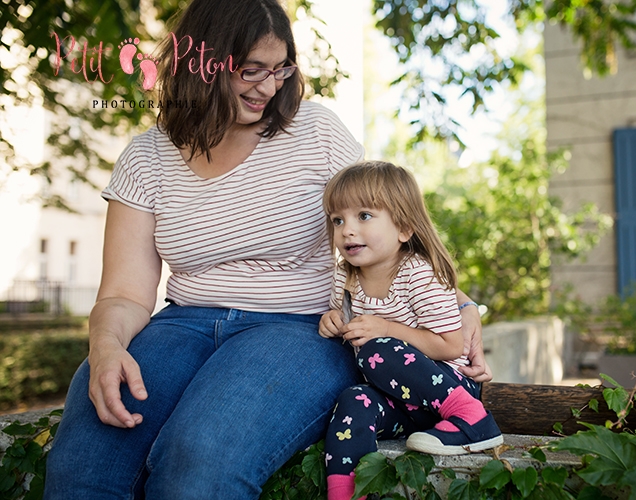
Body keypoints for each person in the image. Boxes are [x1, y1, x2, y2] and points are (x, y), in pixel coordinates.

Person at [43, 1, 492, 499]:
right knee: (81, 469)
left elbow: (386, 227)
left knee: (198, 463)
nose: (269, 87)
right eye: (250, 70)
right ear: (201, 65)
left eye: (280, 70)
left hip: (298, 327)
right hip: (180, 323)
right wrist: (105, 347)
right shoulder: (146, 156)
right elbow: (125, 292)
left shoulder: (315, 131)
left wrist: (461, 306)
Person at [318, 161, 503, 500]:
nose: (347, 230)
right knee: (353, 400)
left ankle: (474, 420)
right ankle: (347, 495)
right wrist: (331, 318)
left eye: (364, 216)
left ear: (403, 228)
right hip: (402, 402)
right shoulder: (344, 277)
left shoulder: (418, 274)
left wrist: (386, 328)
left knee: (377, 350)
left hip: (448, 386)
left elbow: (450, 345)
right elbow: (341, 318)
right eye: (338, 220)